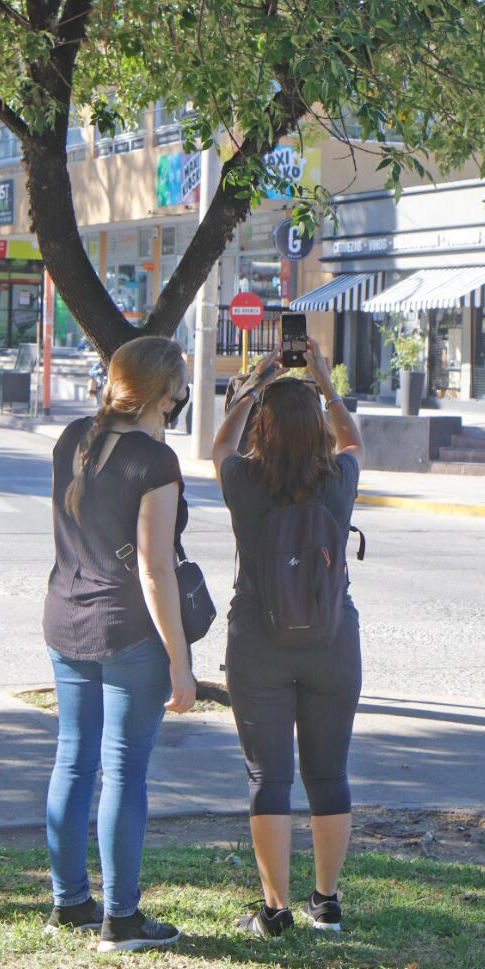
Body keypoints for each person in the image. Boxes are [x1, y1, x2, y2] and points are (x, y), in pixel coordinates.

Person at [42, 335, 196, 953]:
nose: (186, 395)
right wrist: (181, 662)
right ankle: (123, 920)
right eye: (182, 386)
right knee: (124, 772)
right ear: (164, 394)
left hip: (64, 617)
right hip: (127, 631)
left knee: (73, 760)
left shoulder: (72, 437)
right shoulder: (155, 464)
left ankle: (69, 901)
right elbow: (155, 569)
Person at [212, 338, 364, 938]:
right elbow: (353, 440)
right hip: (332, 642)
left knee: (267, 779)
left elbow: (220, 444)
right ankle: (324, 901)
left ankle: (274, 909)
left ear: (264, 429)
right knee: (329, 774)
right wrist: (326, 383)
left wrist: (251, 386)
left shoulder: (245, 482)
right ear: (318, 431)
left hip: (257, 643)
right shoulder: (339, 478)